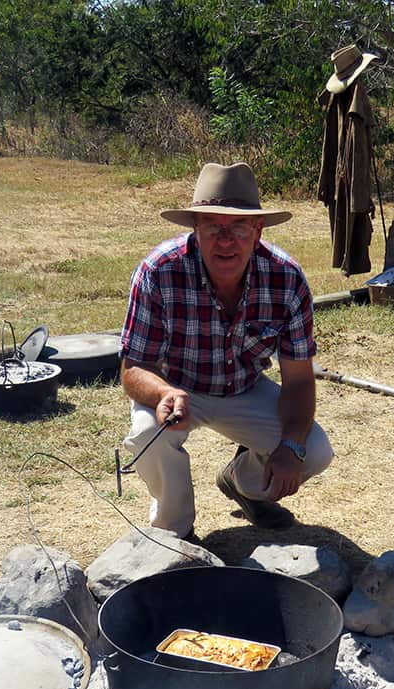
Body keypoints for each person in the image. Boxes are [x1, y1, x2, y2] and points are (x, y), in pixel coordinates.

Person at [119, 162, 334, 537]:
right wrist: (164, 392)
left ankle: (243, 483)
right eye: (213, 228)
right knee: (145, 432)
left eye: (238, 227)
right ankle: (175, 534)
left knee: (314, 450)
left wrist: (291, 446)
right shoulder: (158, 271)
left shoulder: (287, 278)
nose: (226, 240)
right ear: (195, 229)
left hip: (244, 388)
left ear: (258, 230)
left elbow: (298, 381)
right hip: (178, 390)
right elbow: (133, 367)